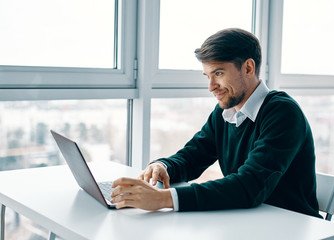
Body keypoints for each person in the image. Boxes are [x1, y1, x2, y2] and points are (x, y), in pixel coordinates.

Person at [110, 28, 321, 218]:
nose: (211, 86)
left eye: (218, 73)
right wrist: (163, 166)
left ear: (248, 68)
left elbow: (249, 186)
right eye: (207, 76)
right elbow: (193, 156)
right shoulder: (226, 112)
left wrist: (163, 199)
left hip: (291, 227)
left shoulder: (282, 112)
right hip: (248, 220)